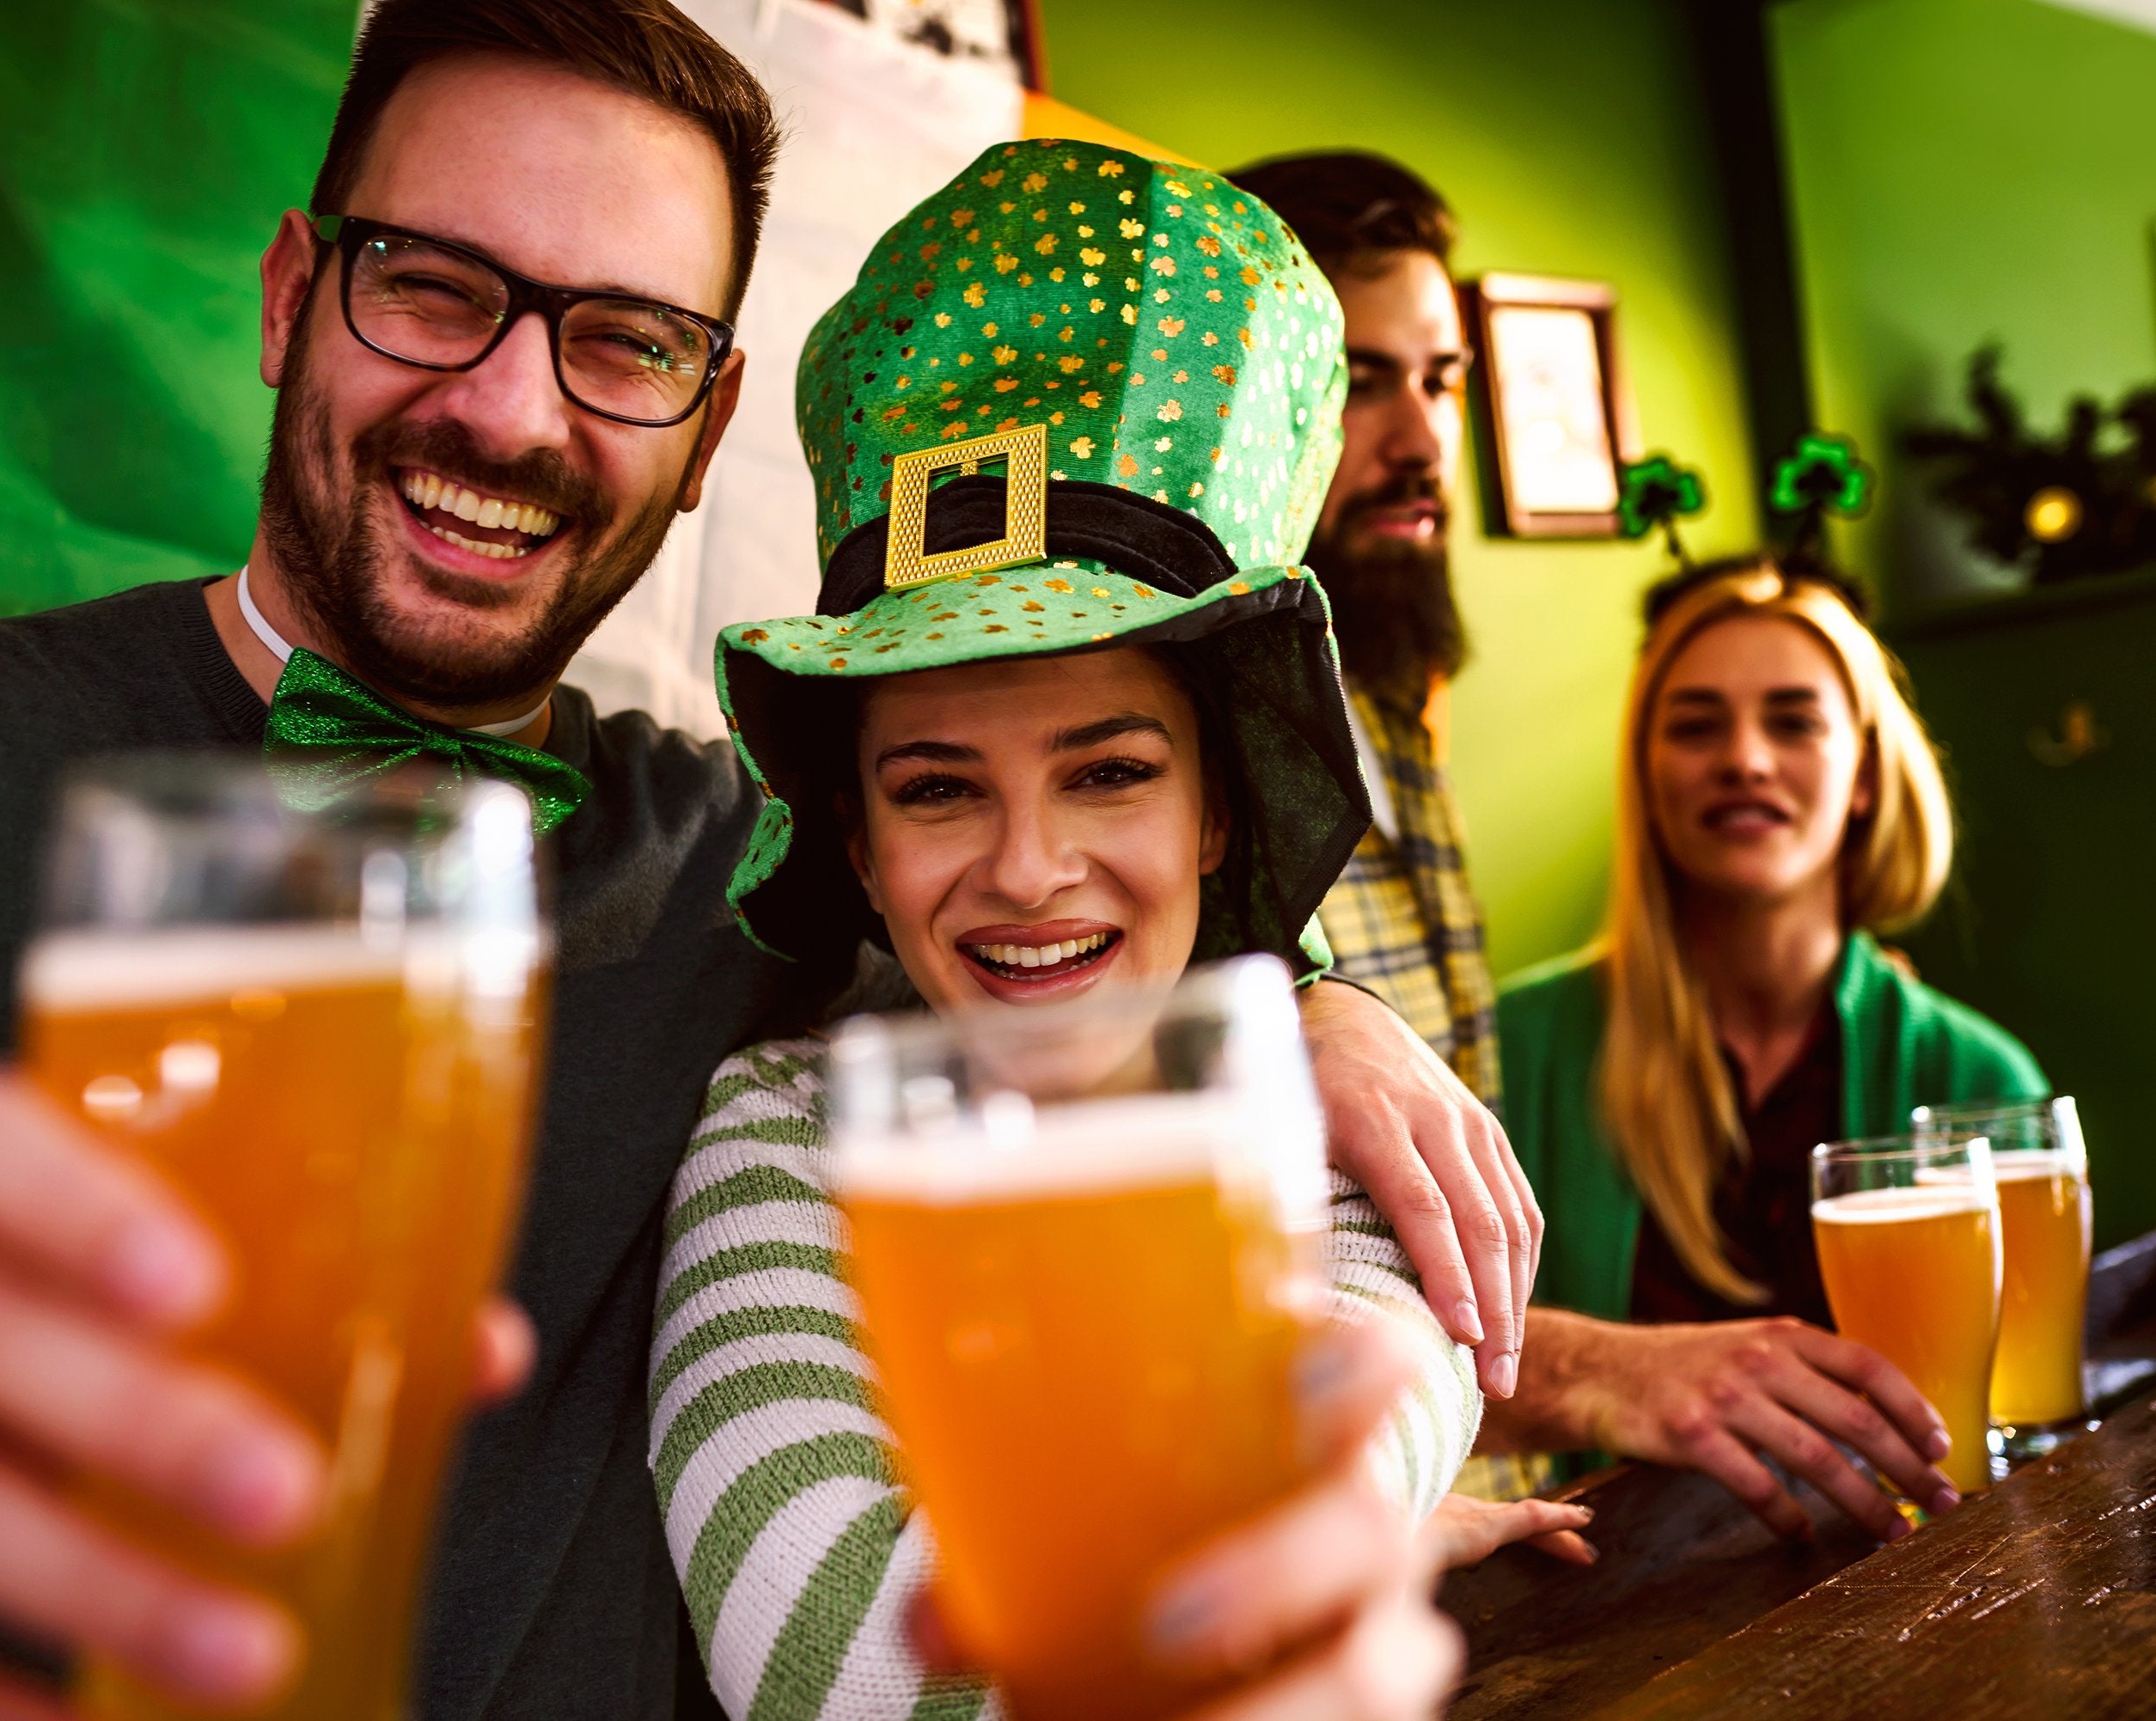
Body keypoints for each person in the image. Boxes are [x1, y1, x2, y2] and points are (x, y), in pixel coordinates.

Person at [0, 6, 1538, 1716]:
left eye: (623, 338)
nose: (504, 406)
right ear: (286, 295)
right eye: (429, 282)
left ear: (706, 432)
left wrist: (1299, 1001)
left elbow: (1063, 1003)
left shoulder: (742, 856)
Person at [647, 142, 1592, 1721]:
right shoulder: (784, 1136)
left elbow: (1304, 1501)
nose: (1027, 867)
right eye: (939, 786)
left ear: (1217, 813)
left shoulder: (1333, 1122)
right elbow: (838, 1663)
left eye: (1110, 771)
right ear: (862, 849)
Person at [1483, 559, 2049, 1542]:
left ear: (1866, 775)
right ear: (1647, 776)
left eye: (1793, 720)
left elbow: (2027, 1424)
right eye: (1697, 724)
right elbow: (1384, 1370)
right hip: (1618, 1615)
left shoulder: (1981, 1080)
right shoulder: (1513, 1050)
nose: (1744, 758)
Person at [1224, 152, 1500, 1122]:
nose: (1423, 444)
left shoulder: (1391, 704)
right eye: (1363, 382)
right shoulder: (1153, 757)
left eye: (1443, 380)